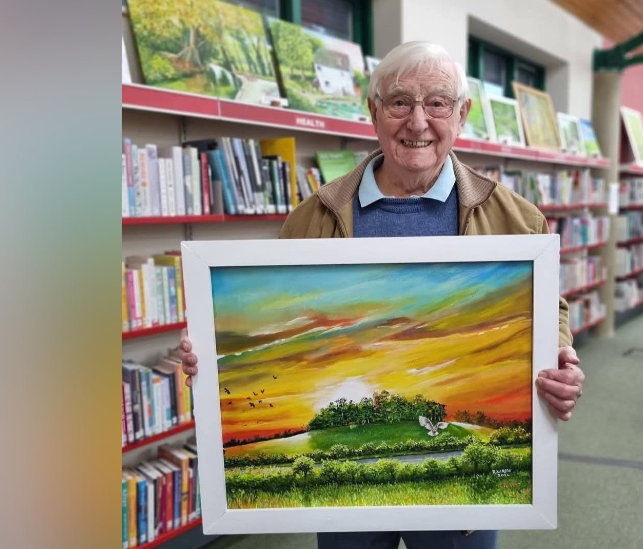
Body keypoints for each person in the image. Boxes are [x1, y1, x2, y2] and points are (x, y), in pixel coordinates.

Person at [178, 41, 585, 549]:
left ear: (463, 114)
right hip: (345, 502)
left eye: (437, 103)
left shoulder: (518, 219)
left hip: (463, 511)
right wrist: (214, 359)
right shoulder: (310, 219)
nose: (418, 122)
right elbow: (260, 326)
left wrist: (560, 353)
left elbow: (549, 306)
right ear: (373, 111)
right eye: (399, 102)